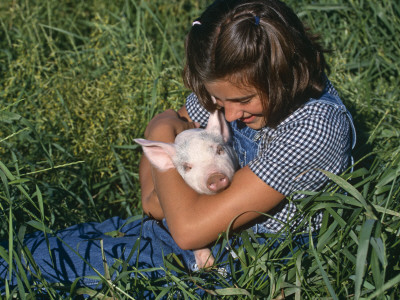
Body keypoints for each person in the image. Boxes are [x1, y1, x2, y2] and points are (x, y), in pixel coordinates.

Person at [0, 0, 356, 297]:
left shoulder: (314, 128)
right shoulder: (241, 85)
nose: (228, 113)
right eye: (217, 99)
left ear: (283, 71)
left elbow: (187, 227)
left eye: (243, 100)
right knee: (39, 250)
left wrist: (160, 143)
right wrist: (156, 195)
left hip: (241, 260)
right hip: (191, 227)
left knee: (31, 272)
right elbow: (164, 161)